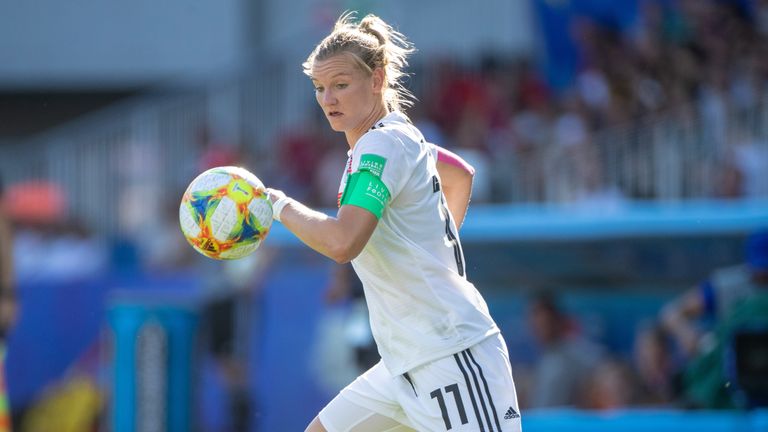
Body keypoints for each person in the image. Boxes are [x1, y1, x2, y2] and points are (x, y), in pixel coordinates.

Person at [265, 12, 521, 432]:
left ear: (378, 79)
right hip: (403, 364)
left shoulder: (381, 145)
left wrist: (279, 205)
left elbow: (343, 242)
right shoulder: (395, 138)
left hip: (450, 356)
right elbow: (460, 175)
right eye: (319, 88)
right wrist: (429, 250)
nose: (328, 99)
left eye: (341, 85)